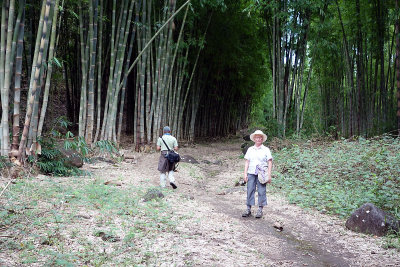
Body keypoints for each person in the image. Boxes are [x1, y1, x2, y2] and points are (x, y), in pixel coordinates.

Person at [242, 130, 273, 218]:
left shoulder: (266, 150)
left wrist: (269, 175)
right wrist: (245, 174)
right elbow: (247, 162)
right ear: (254, 139)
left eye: (260, 137)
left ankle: (260, 210)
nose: (258, 139)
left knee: (261, 190)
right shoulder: (250, 149)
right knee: (250, 189)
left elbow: (269, 162)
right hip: (251, 172)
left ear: (262, 139)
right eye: (257, 137)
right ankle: (248, 209)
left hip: (262, 173)